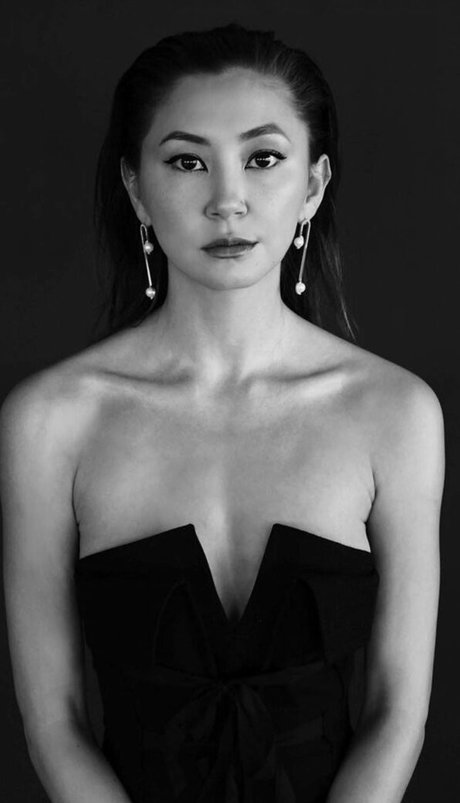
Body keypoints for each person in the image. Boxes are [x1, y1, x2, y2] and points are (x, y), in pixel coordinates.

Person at [0, 22, 445, 803]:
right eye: (186, 161)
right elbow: (54, 722)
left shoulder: (395, 413)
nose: (227, 200)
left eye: (263, 158)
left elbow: (397, 712)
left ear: (313, 185)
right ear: (136, 188)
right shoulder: (49, 422)